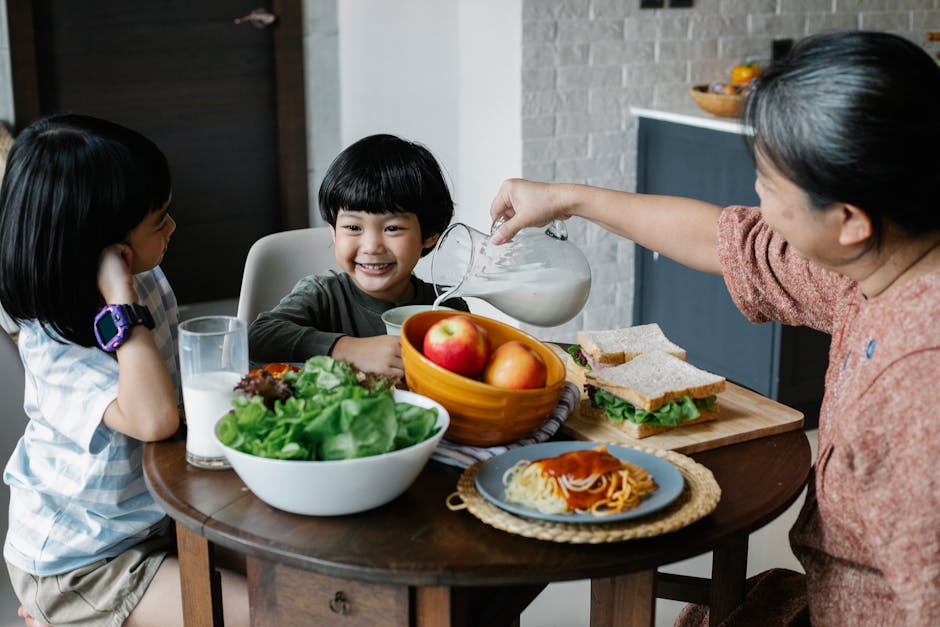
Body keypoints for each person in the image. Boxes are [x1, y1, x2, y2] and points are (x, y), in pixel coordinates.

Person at [489, 31, 939, 626]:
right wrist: (566, 198)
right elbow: (728, 242)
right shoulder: (884, 259)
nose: (757, 199)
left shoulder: (920, 381)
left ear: (848, 220)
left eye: (770, 185)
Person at [0, 114, 248, 627]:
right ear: (106, 247)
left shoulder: (147, 278)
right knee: (274, 610)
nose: (174, 227)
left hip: (153, 518)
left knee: (304, 580)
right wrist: (120, 302)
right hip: (83, 562)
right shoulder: (54, 342)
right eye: (160, 220)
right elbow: (154, 417)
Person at [248, 133, 467, 377]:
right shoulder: (322, 295)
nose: (371, 246)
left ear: (430, 234)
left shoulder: (446, 306)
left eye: (392, 228)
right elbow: (259, 336)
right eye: (353, 228)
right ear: (333, 232)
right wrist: (346, 349)